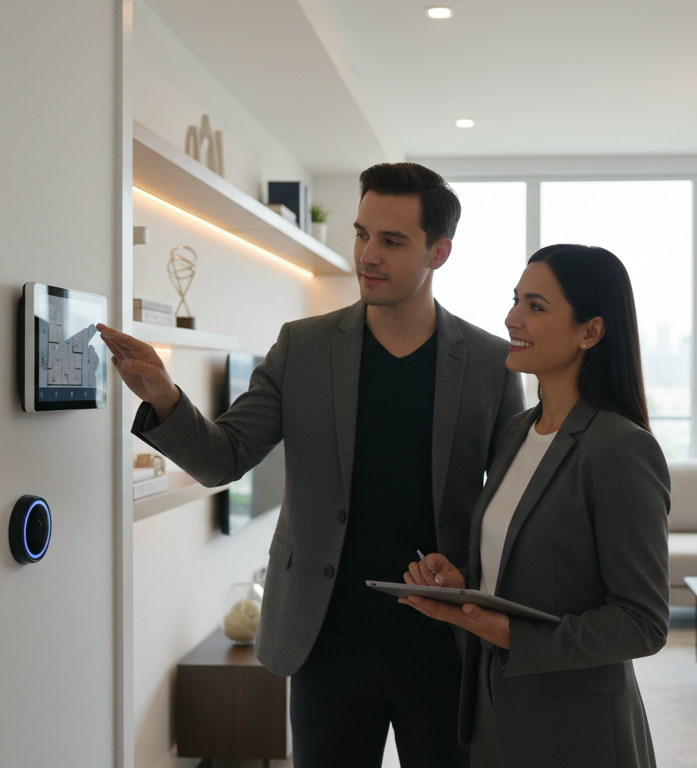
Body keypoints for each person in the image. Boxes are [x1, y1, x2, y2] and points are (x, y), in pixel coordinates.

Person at [97, 163, 524, 768]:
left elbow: (509, 509)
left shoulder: (489, 363)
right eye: (361, 234)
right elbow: (225, 457)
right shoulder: (303, 347)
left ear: (440, 252)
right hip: (324, 645)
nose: (367, 255)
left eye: (392, 241)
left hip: (446, 648)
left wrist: (480, 581)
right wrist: (163, 393)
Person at [398, 243, 671, 768]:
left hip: (576, 733)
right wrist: (466, 583)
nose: (511, 318)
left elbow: (643, 622)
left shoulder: (620, 450)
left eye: (536, 306)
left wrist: (510, 635)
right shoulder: (518, 432)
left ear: (590, 332)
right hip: (493, 712)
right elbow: (525, 567)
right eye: (516, 300)